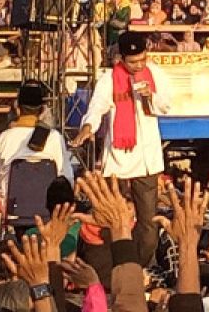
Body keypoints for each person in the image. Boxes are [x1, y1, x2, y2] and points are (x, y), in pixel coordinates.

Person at [72, 31, 172, 265]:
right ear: (121, 59)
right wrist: (87, 127)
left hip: (148, 163)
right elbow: (97, 107)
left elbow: (166, 105)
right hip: (118, 162)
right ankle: (113, 270)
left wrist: (151, 96)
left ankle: (138, 269)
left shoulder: (156, 74)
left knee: (148, 229)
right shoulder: (109, 79)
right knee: (110, 222)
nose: (138, 65)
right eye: (133, 62)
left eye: (142, 60)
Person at [0, 82, 74, 211]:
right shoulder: (55, 137)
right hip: (48, 211)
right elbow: (67, 178)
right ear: (42, 110)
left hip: (13, 211)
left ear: (17, 108)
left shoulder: (5, 138)